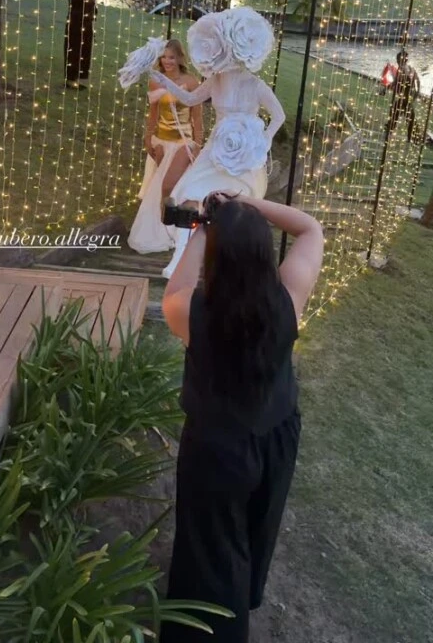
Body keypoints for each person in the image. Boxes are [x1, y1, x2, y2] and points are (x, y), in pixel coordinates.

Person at [160, 192, 324, 643]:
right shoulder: (289, 298)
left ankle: (207, 630)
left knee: (210, 552)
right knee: (257, 526)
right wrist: (247, 204)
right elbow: (309, 228)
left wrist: (202, 228)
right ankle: (243, 595)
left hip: (217, 449)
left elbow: (174, 289)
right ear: (264, 252)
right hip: (277, 435)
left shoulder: (191, 312)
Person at [149, 66, 285, 277]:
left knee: (236, 205)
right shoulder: (215, 80)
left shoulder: (256, 85)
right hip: (216, 148)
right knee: (191, 193)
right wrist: (167, 83)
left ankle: (229, 261)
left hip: (245, 152)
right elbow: (191, 99)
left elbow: (279, 116)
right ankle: (180, 254)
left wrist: (263, 140)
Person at [128, 40, 203, 254]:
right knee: (158, 184)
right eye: (163, 57)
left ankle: (171, 227)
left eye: (171, 57)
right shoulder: (155, 81)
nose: (167, 61)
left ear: (179, 58)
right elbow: (153, 114)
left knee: (168, 186)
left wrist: (198, 144)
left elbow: (197, 117)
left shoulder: (191, 81)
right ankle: (161, 230)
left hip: (183, 142)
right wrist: (148, 137)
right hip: (161, 140)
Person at [64, 0, 96, 89]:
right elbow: (75, 4)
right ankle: (70, 79)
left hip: (87, 25)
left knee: (85, 52)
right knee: (74, 51)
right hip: (75, 24)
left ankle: (80, 79)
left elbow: (92, 5)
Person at [384, 49, 421, 143]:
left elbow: (396, 82)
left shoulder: (402, 69)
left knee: (397, 113)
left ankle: (391, 130)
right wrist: (416, 94)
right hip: (408, 97)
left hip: (404, 97)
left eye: (398, 59)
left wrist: (387, 88)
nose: (397, 61)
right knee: (407, 116)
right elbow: (418, 82)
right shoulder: (411, 68)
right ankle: (413, 136)